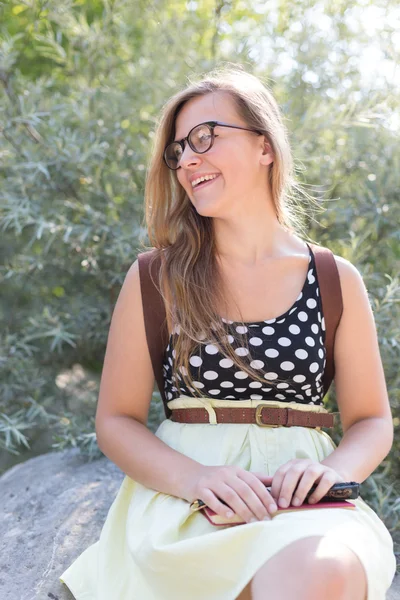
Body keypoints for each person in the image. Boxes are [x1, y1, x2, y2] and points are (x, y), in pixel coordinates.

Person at [60, 65, 396, 600]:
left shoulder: (335, 280)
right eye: (177, 152)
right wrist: (196, 480)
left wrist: (332, 472)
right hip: (187, 500)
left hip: (304, 503)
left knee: (321, 569)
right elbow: (116, 420)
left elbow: (373, 420)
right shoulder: (156, 278)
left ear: (265, 146)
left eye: (204, 138)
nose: (187, 160)